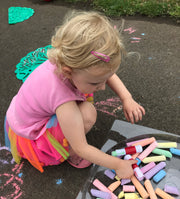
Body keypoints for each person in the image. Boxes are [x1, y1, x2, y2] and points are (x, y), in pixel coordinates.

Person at [5, 11, 145, 178]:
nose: (102, 87)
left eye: (104, 80)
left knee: (85, 101)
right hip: (33, 138)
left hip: (19, 117)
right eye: (94, 83)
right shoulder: (63, 100)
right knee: (87, 114)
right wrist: (119, 164)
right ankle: (67, 152)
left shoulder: (68, 59)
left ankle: (66, 132)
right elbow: (82, 148)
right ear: (68, 72)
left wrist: (126, 98)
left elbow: (106, 73)